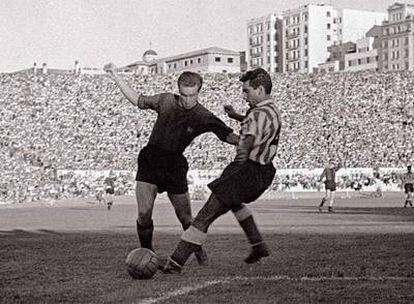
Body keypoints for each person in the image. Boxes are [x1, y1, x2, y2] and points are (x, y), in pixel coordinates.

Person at [103, 63, 238, 265]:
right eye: (183, 94)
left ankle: (199, 252)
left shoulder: (203, 116)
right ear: (179, 90)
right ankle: (147, 253)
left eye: (191, 95)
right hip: (151, 160)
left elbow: (229, 136)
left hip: (175, 165)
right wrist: (116, 76)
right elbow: (137, 100)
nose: (187, 99)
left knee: (186, 219)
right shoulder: (165, 100)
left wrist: (253, 138)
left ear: (198, 92)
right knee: (143, 214)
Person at [159, 68, 281, 273]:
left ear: (260, 89)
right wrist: (236, 116)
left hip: (247, 170)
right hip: (265, 170)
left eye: (247, 91)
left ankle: (175, 263)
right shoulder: (271, 109)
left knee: (205, 215)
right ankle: (258, 246)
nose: (244, 95)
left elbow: (248, 140)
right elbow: (257, 124)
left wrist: (238, 167)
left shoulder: (258, 113)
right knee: (234, 203)